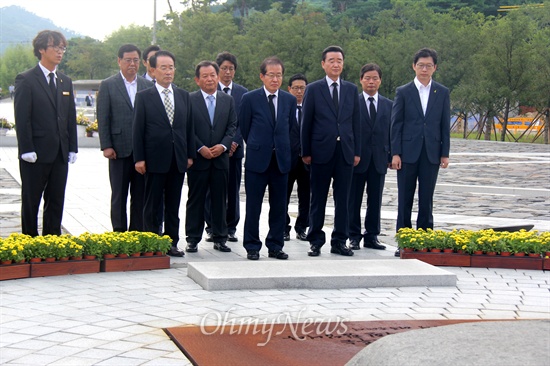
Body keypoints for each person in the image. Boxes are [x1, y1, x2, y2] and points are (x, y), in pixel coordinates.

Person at [14, 30, 78, 236]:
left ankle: (52, 240)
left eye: (63, 48)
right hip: (36, 153)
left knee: (56, 198)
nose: (60, 52)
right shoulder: (26, 79)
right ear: (41, 49)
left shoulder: (65, 81)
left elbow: (69, 116)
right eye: (55, 47)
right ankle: (30, 240)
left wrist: (73, 147)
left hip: (60, 151)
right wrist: (26, 148)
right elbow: (22, 117)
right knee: (32, 199)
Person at [133, 50, 195, 257]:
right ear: (152, 70)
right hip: (153, 159)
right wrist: (139, 158)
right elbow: (138, 129)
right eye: (163, 68)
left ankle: (171, 242)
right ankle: (151, 242)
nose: (168, 72)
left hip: (177, 159)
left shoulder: (183, 95)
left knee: (173, 204)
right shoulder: (143, 97)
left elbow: (188, 128)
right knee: (152, 203)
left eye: (171, 67)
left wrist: (189, 155)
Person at [301, 45, 361, 257]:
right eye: (332, 61)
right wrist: (305, 151)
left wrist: (357, 151)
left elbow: (356, 122)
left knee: (343, 199)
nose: (336, 64)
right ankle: (315, 240)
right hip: (320, 151)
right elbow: (306, 122)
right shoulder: (314, 89)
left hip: (345, 151)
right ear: (323, 64)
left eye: (339, 61)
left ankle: (339, 240)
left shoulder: (352, 89)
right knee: (318, 197)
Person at [391, 48, 450, 257]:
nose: (424, 69)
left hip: (431, 153)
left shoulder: (442, 92)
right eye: (420, 65)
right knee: (404, 198)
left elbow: (444, 124)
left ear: (435, 68)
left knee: (427, 198)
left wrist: (445, 153)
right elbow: (396, 124)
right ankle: (404, 241)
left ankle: (425, 240)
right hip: (407, 153)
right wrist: (395, 153)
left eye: (429, 66)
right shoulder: (404, 91)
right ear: (413, 66)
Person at [240, 57, 297, 260]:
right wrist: (258, 144)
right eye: (271, 75)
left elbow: (290, 127)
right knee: (253, 205)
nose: (275, 79)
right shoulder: (250, 98)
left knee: (279, 206)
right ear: (262, 76)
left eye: (279, 75)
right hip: (258, 159)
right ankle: (252, 246)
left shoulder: (289, 100)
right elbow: (245, 127)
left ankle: (275, 245)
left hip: (280, 160)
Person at [97, 44, 153, 232]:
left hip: (141, 152)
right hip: (118, 150)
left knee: (140, 195)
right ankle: (119, 234)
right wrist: (106, 145)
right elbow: (103, 116)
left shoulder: (147, 85)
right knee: (119, 195)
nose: (132, 64)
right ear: (119, 61)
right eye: (128, 60)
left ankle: (136, 233)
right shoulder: (108, 85)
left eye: (136, 60)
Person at [185, 61, 237, 253]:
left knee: (219, 199)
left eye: (212, 75)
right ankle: (192, 238)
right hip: (199, 159)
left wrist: (223, 146)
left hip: (220, 159)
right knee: (196, 200)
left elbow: (232, 126)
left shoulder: (227, 100)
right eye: (205, 76)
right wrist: (200, 147)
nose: (209, 79)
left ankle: (220, 237)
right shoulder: (189, 100)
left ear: (218, 76)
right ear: (197, 80)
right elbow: (187, 128)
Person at [204, 52, 248, 243]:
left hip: (234, 151)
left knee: (232, 189)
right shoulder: (209, 90)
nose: (228, 72)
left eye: (231, 68)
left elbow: (243, 121)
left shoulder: (242, 93)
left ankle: (230, 227)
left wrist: (233, 142)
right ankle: (211, 226)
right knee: (210, 190)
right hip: (212, 150)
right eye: (224, 68)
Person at [348, 63, 392, 251]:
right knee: (354, 199)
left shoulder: (389, 105)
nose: (371, 82)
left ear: (380, 80)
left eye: (375, 78)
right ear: (361, 80)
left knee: (375, 200)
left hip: (379, 159)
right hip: (357, 159)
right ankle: (354, 236)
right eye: (367, 78)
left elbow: (392, 132)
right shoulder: (352, 103)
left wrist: (391, 154)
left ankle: (372, 236)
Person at [285, 73, 310, 241]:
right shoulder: (284, 107)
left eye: (302, 88)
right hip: (287, 159)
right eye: (296, 88)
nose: (299, 91)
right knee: (282, 195)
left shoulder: (311, 107)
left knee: (306, 196)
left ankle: (302, 227)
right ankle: (283, 227)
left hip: (307, 160)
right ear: (289, 89)